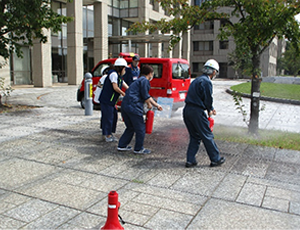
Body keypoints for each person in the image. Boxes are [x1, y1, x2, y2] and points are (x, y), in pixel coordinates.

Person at [183, 59, 225, 168]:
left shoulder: (197, 80)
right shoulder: (206, 82)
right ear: (214, 72)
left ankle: (190, 160)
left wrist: (210, 108)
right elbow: (207, 98)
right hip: (197, 112)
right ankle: (215, 159)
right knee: (207, 135)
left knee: (195, 136)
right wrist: (210, 109)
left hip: (187, 110)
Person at [118, 64, 163, 154]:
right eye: (152, 74)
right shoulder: (145, 81)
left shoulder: (137, 81)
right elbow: (146, 96)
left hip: (125, 105)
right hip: (133, 106)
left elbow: (143, 95)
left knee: (130, 127)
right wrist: (156, 105)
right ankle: (138, 148)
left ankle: (122, 145)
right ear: (150, 73)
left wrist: (149, 104)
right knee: (140, 128)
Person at [99, 58, 129, 142]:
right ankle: (107, 135)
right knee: (108, 118)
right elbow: (115, 87)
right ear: (121, 68)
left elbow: (124, 84)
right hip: (107, 100)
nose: (125, 70)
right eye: (124, 68)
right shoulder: (113, 74)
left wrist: (130, 90)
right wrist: (124, 94)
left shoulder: (119, 77)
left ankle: (109, 133)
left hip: (111, 101)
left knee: (114, 116)